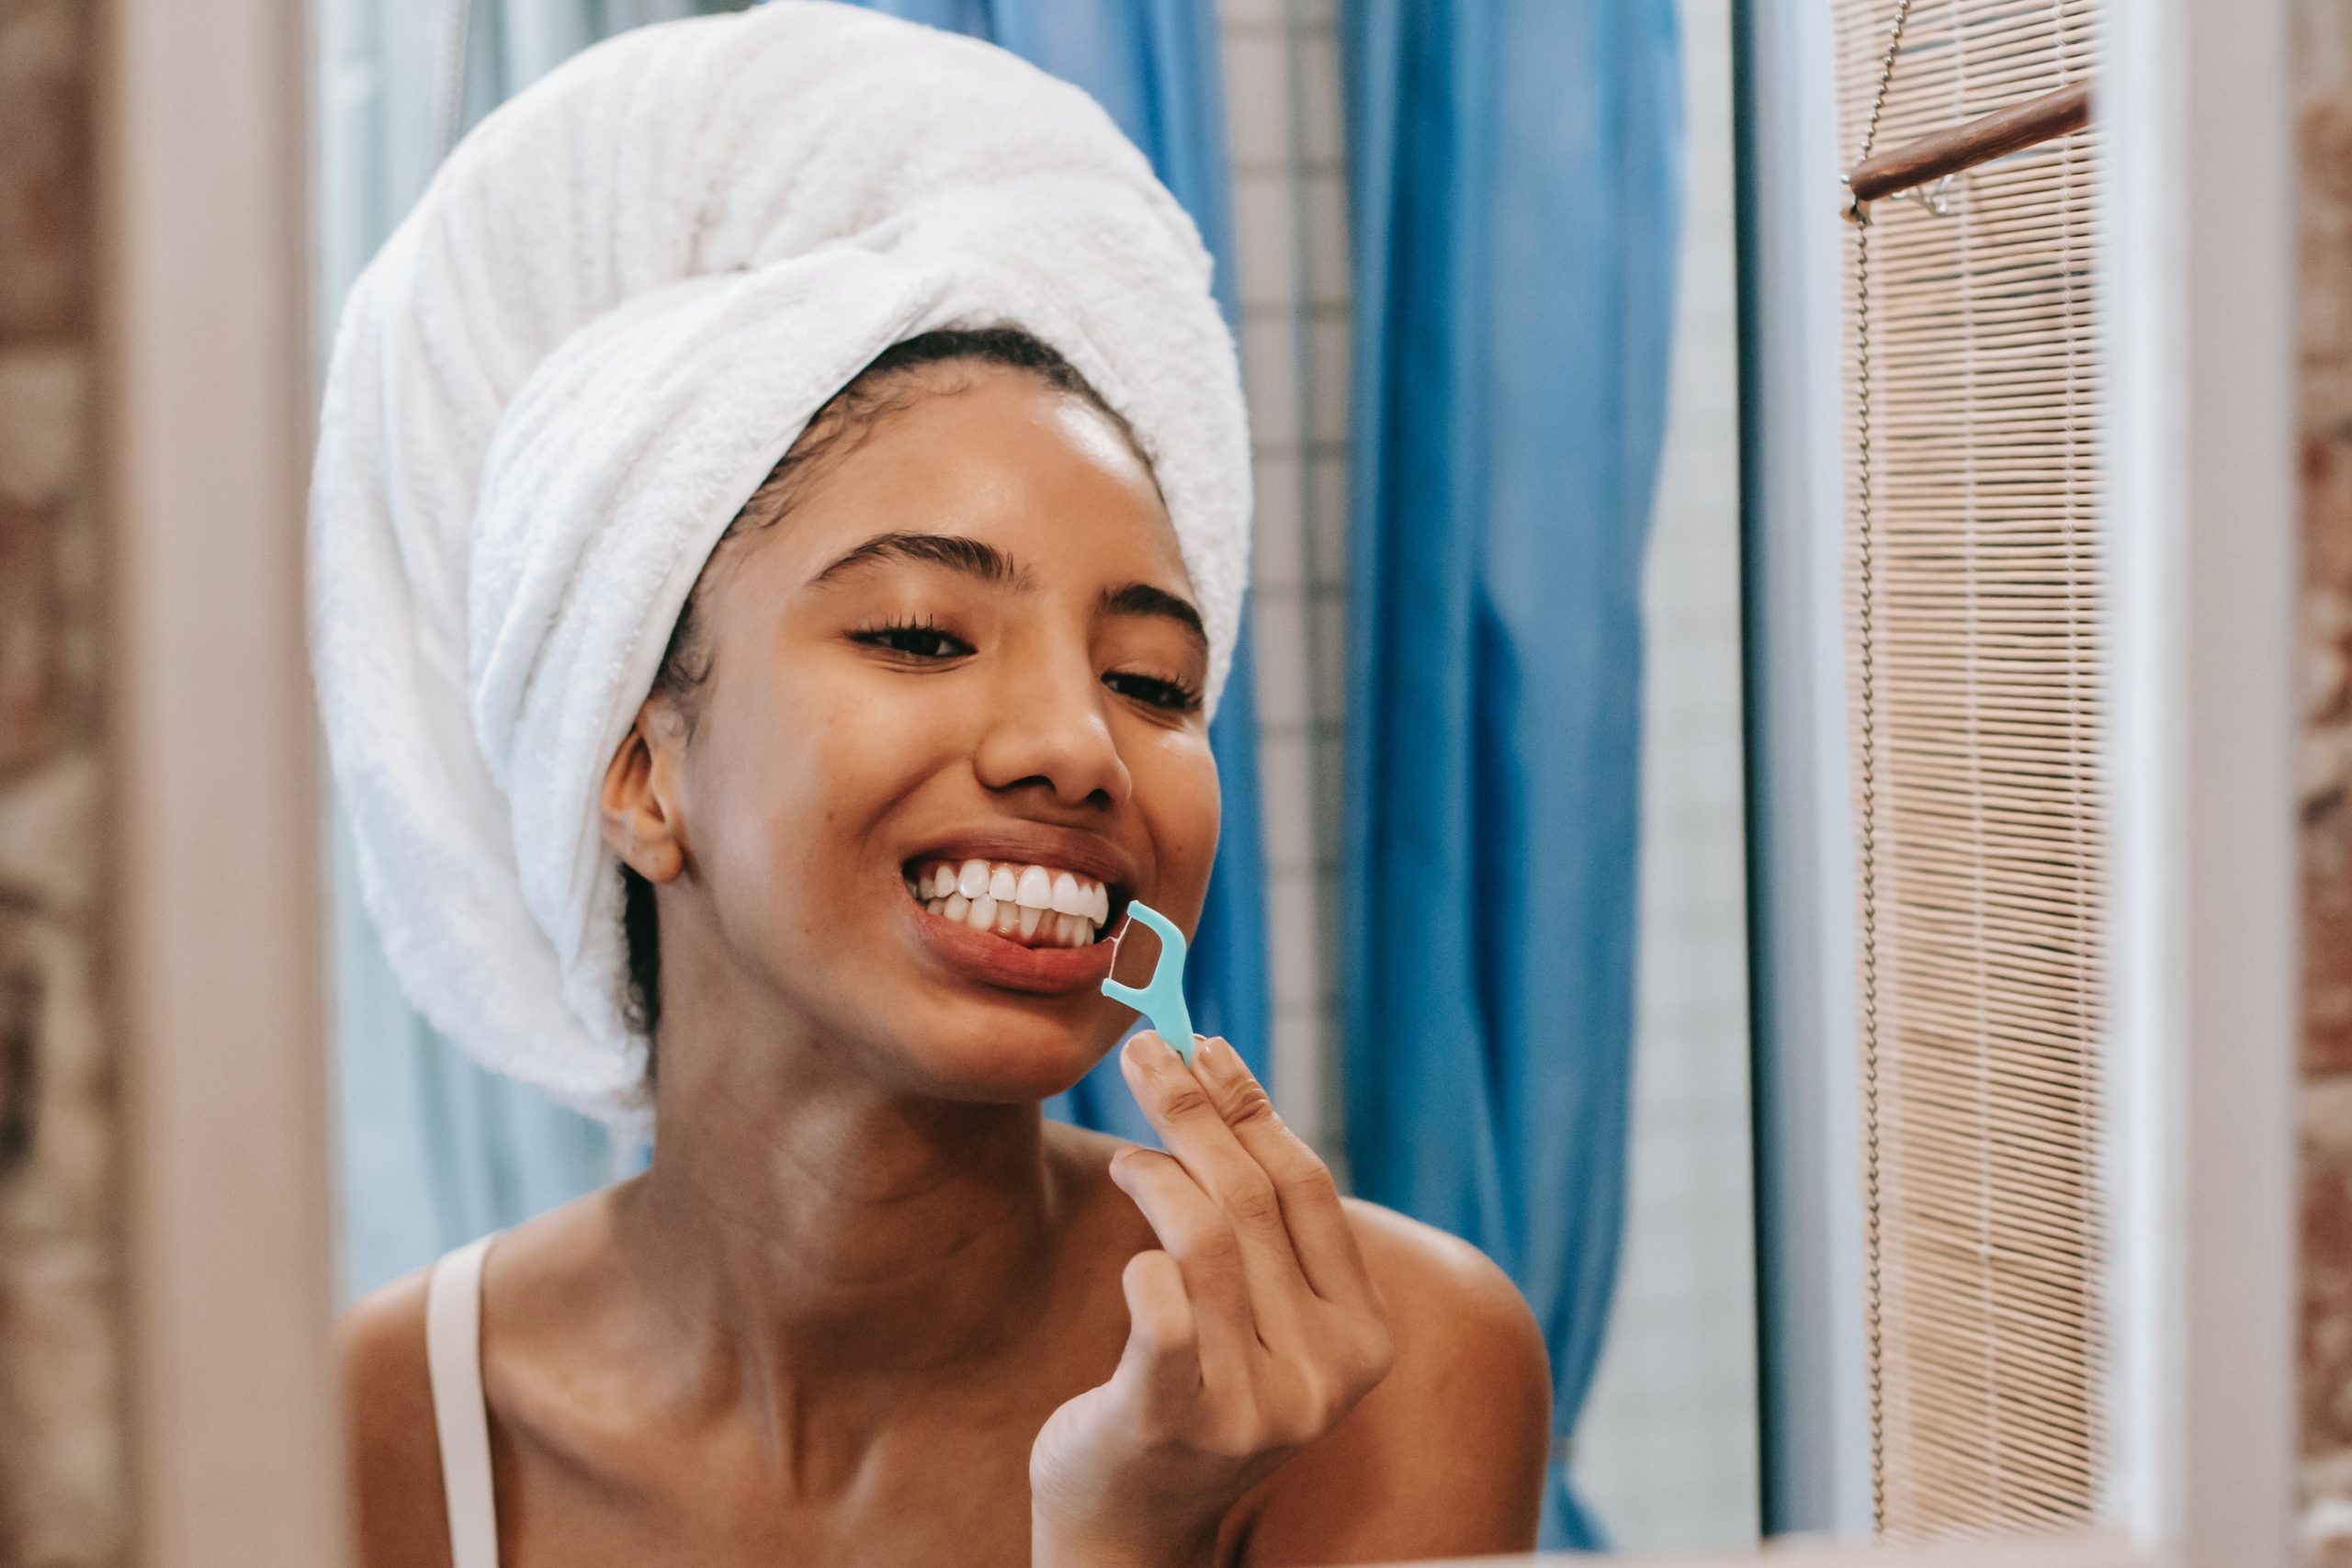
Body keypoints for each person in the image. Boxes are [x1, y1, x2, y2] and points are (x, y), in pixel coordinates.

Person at [316, 9, 1548, 1564]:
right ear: (636, 771)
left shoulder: (1383, 1372)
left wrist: (1124, 1538)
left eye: (1155, 682)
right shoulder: (376, 1434)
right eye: (918, 632)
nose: (1082, 747)